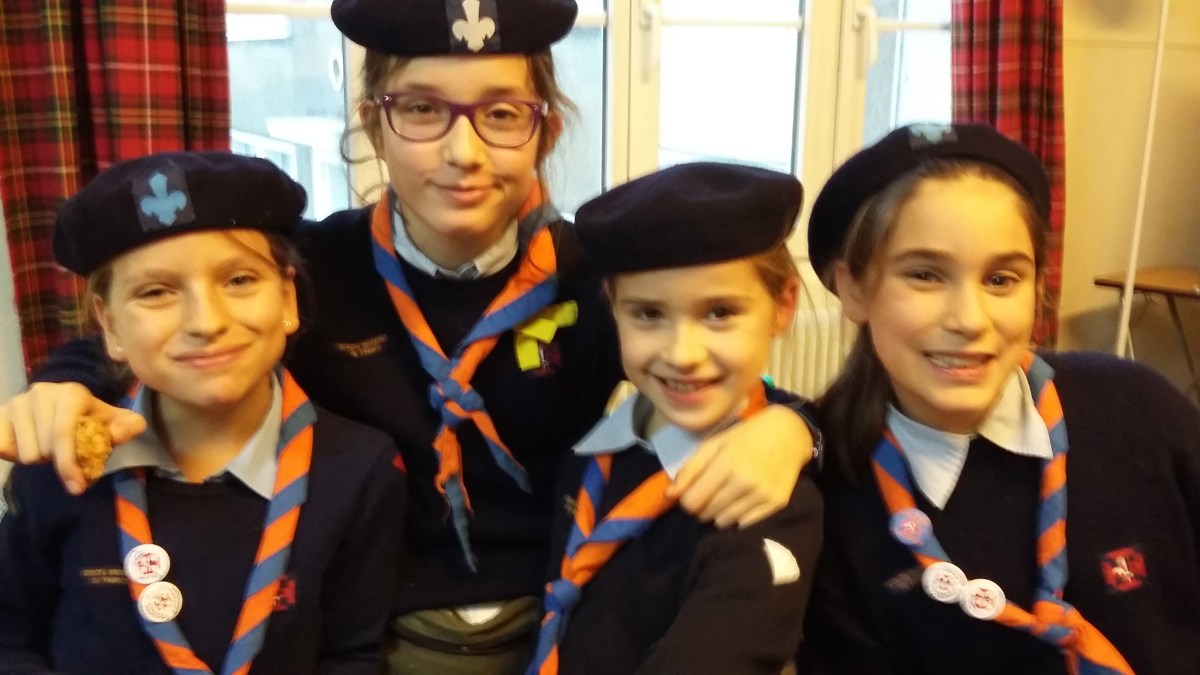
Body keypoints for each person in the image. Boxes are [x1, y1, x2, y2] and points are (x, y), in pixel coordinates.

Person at [0, 1, 817, 672]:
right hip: (369, 623)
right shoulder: (317, 267)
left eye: (502, 114)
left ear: (545, 129)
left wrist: (795, 427)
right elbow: (187, 331)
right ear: (374, 124)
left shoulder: (591, 274)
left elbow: (693, 373)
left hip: (553, 613)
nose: (463, 153)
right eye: (422, 110)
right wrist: (66, 381)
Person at [796, 123, 1200, 674]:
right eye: (925, 275)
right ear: (854, 289)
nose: (970, 319)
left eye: (1002, 279)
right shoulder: (832, 497)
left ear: (1037, 288)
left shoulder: (1138, 409)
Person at [0, 152, 407, 674]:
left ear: (287, 298)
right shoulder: (61, 462)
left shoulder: (359, 469)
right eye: (156, 292)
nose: (206, 322)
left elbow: (350, 653)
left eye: (239, 280)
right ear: (111, 325)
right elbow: (10, 636)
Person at [527, 162, 823, 675]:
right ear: (612, 310)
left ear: (782, 305)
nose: (683, 354)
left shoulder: (765, 498)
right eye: (648, 314)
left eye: (719, 313)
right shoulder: (590, 456)